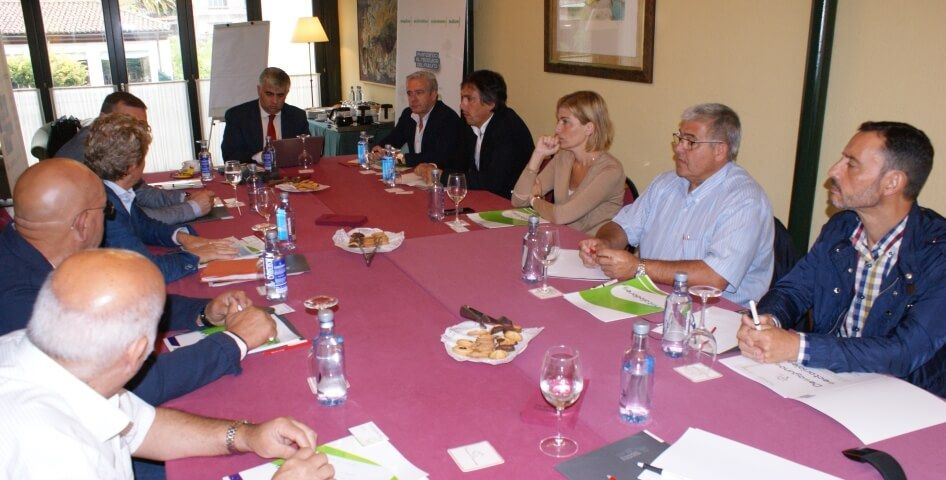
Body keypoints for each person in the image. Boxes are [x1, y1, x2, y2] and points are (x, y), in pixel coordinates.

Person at [0, 249, 335, 479]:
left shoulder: (39, 353)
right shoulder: (54, 453)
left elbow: (144, 427)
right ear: (137, 351)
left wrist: (247, 435)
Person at [0, 158, 276, 404]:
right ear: (83, 223)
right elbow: (132, 386)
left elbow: (121, 307)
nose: (107, 220)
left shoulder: (35, 250)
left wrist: (202, 312)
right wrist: (236, 340)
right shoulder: (22, 301)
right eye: (106, 211)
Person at [738, 122, 946, 396]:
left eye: (851, 164)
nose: (834, 171)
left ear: (892, 182)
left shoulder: (937, 252)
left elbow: (905, 351)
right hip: (827, 381)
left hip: (904, 397)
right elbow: (794, 290)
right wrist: (768, 319)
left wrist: (799, 347)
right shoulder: (842, 227)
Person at [579, 103, 773, 307]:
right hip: (648, 299)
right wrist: (603, 244)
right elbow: (621, 226)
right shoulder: (666, 183)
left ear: (719, 150)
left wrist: (638, 268)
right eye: (679, 138)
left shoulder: (745, 200)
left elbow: (714, 277)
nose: (679, 148)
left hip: (714, 313)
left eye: (690, 142)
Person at [85, 113, 238, 282]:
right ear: (132, 166)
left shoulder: (113, 190)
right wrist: (195, 256)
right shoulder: (106, 209)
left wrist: (182, 237)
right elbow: (145, 271)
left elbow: (144, 225)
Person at [57, 91, 215, 224]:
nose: (135, 130)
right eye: (127, 122)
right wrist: (191, 208)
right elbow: (129, 219)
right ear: (103, 118)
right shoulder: (89, 152)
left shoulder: (108, 142)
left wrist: (184, 198)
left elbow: (140, 191)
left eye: (141, 125)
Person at [511, 91, 624, 235]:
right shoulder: (564, 157)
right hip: (561, 238)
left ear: (589, 128)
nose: (557, 129)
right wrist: (538, 155)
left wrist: (534, 199)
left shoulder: (610, 170)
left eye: (565, 122)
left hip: (591, 245)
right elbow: (518, 200)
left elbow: (560, 216)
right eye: (558, 121)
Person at [372, 71, 468, 181]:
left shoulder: (447, 118)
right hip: (417, 177)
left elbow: (437, 156)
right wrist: (379, 149)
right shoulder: (408, 114)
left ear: (433, 95)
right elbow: (393, 139)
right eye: (409, 93)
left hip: (442, 181)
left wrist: (401, 158)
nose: (413, 99)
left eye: (419, 93)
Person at [459, 70, 534, 199]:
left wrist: (446, 176)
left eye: (469, 99)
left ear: (490, 103)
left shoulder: (508, 129)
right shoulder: (471, 123)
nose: (462, 105)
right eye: (462, 98)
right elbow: (460, 163)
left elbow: (493, 182)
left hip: (510, 202)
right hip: (485, 197)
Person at [222, 67, 310, 163]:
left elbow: (308, 151)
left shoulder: (297, 116)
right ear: (259, 90)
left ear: (287, 93)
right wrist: (261, 157)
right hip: (253, 171)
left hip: (288, 171)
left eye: (280, 95)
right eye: (269, 94)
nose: (275, 101)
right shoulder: (237, 116)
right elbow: (230, 156)